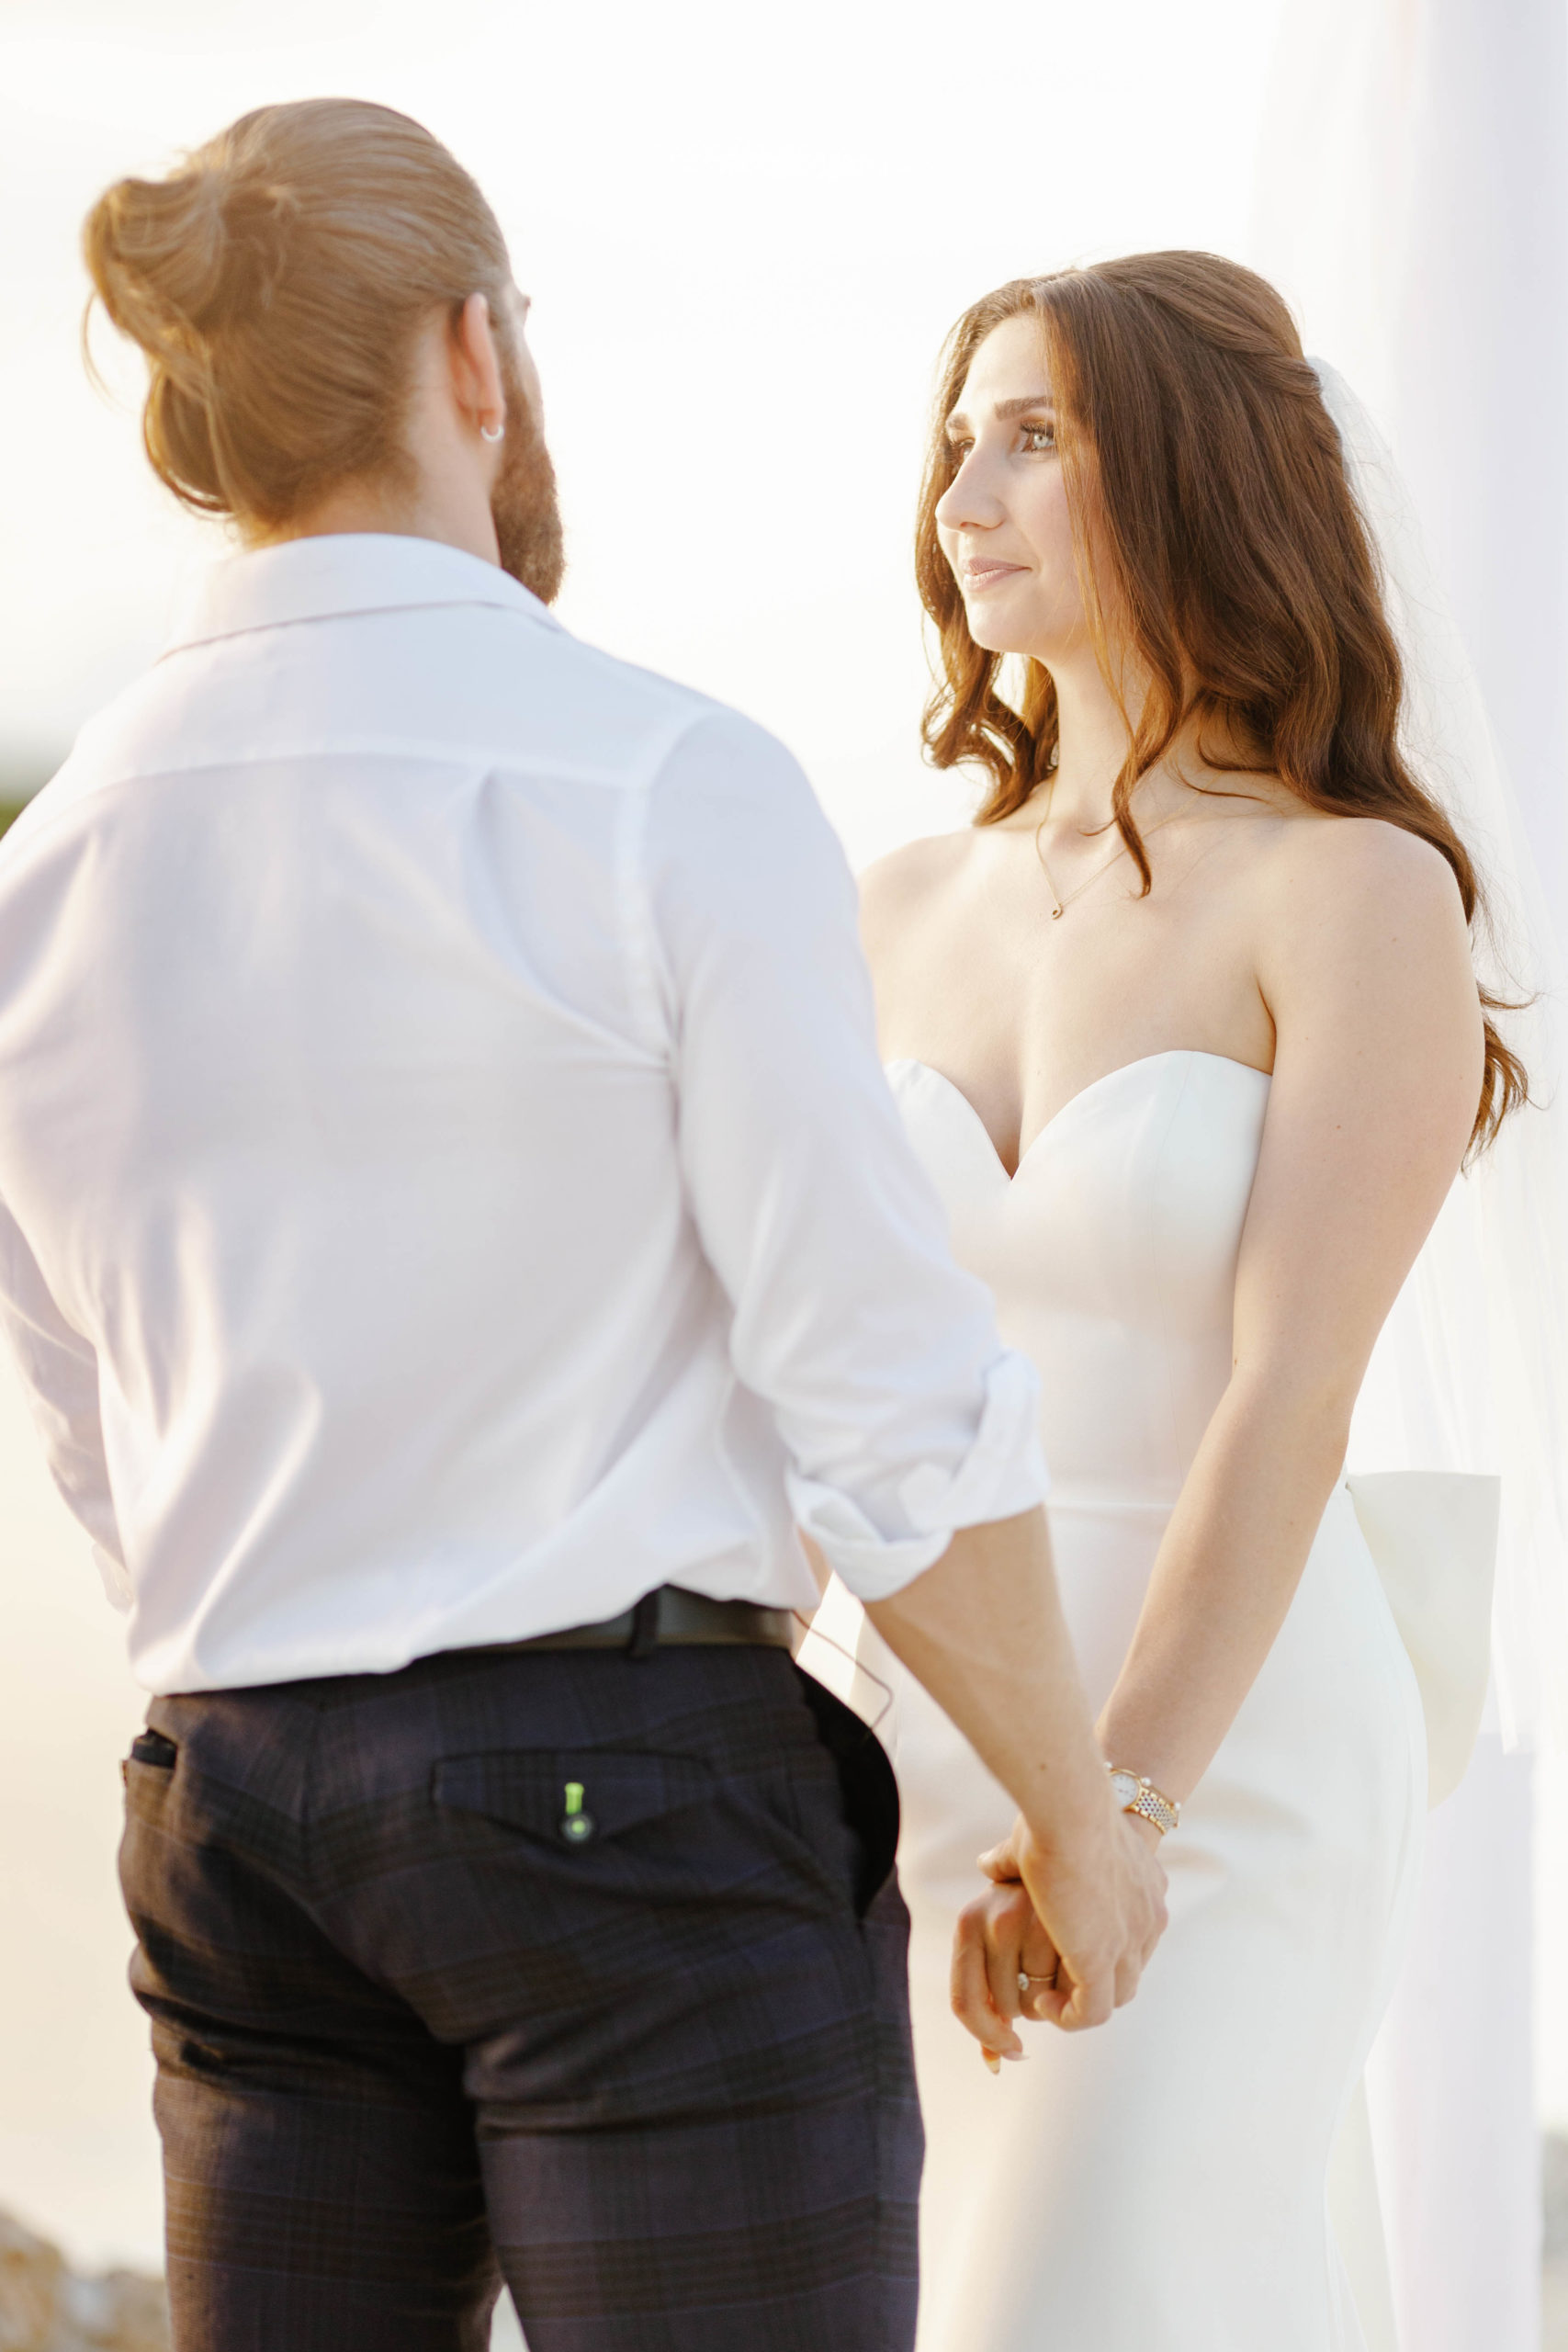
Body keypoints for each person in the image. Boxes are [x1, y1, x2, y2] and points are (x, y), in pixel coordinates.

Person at [0, 103, 1166, 2352]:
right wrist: (1074, 1809)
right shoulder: (653, 781)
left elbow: (89, 1422)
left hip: (231, 1802)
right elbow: (878, 1389)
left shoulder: (45, 878)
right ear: (470, 355)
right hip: (618, 1801)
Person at [854, 254, 1525, 2351]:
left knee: (1089, 2302)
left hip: (1212, 1757)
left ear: (1189, 473)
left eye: (1032, 436)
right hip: (912, 1742)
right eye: (958, 437)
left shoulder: (1352, 894)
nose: (966, 491)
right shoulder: (889, 903)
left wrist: (1113, 1804)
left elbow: (1286, 1396)